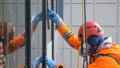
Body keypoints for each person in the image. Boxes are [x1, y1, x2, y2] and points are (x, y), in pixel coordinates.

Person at [32, 10, 120, 68]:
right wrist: (58, 22)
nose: (82, 45)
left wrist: (56, 67)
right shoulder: (103, 49)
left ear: (92, 41)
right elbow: (74, 41)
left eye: (84, 42)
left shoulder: (105, 63)